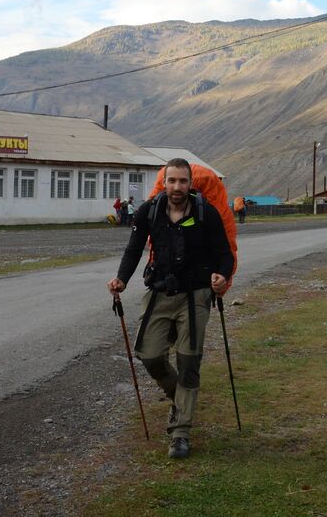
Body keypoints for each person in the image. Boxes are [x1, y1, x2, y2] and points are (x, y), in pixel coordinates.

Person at [107, 158, 233, 459]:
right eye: (172, 181)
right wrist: (121, 279)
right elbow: (134, 248)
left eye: (183, 181)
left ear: (191, 184)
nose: (177, 187)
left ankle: (180, 433)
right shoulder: (149, 211)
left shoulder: (206, 213)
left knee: (189, 361)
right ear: (164, 182)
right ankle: (182, 400)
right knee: (150, 355)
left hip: (196, 295)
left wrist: (221, 277)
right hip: (160, 292)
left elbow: (224, 254)